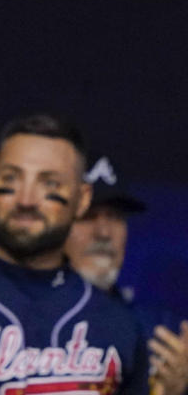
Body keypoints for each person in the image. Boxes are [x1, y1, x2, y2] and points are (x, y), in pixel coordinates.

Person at [0, 113, 150, 394]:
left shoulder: (118, 324)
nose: (26, 200)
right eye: (11, 178)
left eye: (50, 184)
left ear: (82, 199)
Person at [65, 155, 188, 395]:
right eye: (88, 216)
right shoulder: (17, 318)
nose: (103, 232)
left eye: (115, 217)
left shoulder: (161, 332)